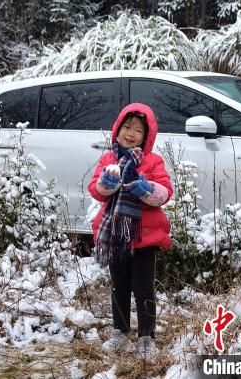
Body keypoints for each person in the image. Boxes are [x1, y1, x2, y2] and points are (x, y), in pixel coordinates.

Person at [88, 103, 173, 358]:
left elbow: (165, 192)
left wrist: (146, 189)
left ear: (147, 136)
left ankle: (146, 337)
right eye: (126, 127)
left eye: (138, 129)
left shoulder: (153, 161)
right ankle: (120, 332)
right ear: (117, 130)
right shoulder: (108, 159)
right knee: (120, 285)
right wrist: (107, 183)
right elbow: (95, 189)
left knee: (144, 288)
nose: (130, 133)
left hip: (144, 237)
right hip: (116, 235)